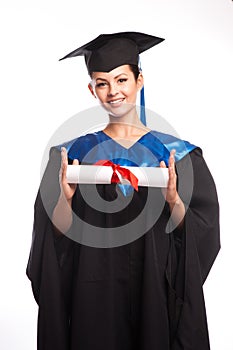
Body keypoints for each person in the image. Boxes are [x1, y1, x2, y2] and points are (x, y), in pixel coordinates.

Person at [26, 32, 220, 350]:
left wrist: (173, 200)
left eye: (121, 80)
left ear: (139, 80)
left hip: (155, 295)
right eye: (102, 83)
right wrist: (66, 198)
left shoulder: (177, 155)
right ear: (92, 90)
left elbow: (202, 235)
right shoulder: (72, 156)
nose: (113, 91)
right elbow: (52, 241)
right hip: (92, 300)